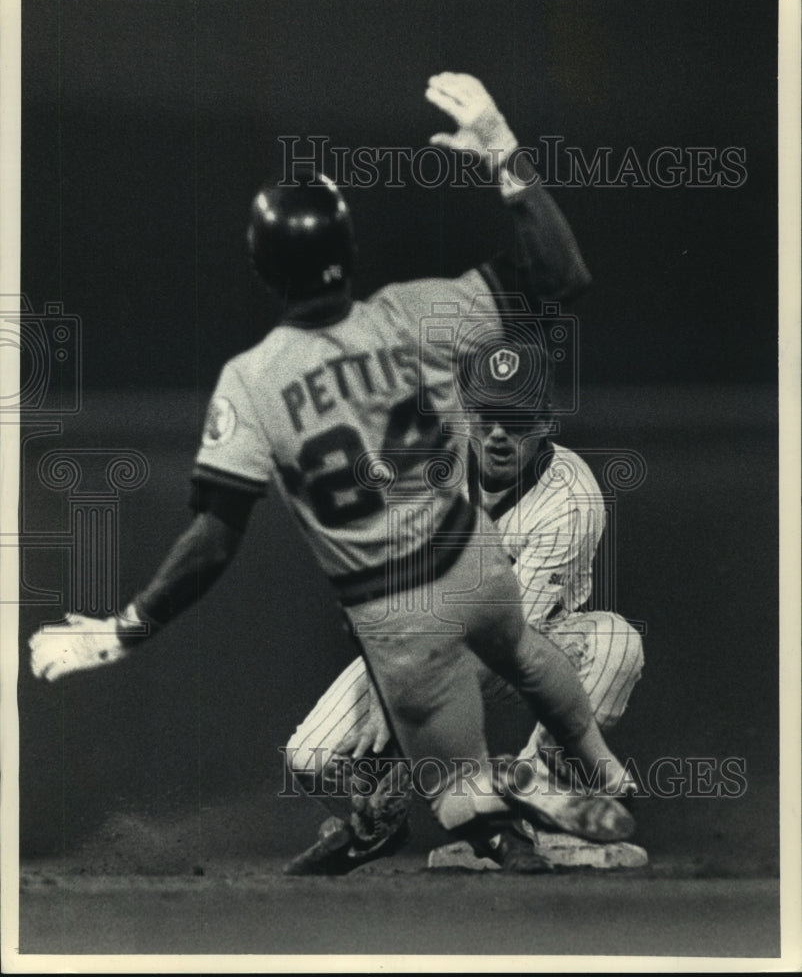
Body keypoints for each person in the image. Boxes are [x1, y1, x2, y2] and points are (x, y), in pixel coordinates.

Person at [28, 72, 635, 868]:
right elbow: (561, 275)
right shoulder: (410, 313)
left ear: (262, 269)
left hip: (401, 608)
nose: (497, 431)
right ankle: (550, 784)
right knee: (393, 718)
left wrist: (127, 627)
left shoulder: (255, 378)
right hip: (473, 569)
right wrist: (502, 151)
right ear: (347, 253)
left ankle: (510, 820)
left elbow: (213, 542)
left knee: (475, 761)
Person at [283, 335, 644, 875]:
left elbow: (503, 637)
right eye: (486, 415)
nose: (498, 433)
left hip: (534, 647)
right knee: (309, 760)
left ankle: (538, 806)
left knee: (615, 643)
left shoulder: (571, 497)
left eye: (516, 419)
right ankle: (399, 820)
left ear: (546, 421)